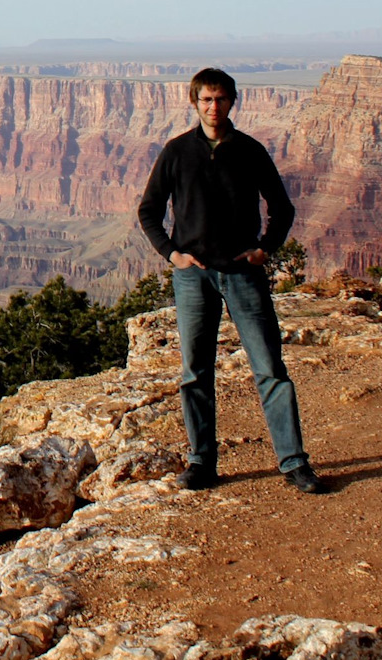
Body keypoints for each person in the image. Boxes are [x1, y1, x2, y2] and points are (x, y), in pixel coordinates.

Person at [136, 67, 324, 494]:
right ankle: (201, 462)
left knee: (269, 367)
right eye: (206, 99)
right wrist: (172, 254)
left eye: (220, 99)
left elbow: (282, 207)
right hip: (193, 278)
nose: (213, 107)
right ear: (194, 102)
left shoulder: (250, 151)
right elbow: (149, 210)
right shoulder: (177, 151)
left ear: (232, 102)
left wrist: (265, 249)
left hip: (243, 273)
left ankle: (294, 463)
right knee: (194, 372)